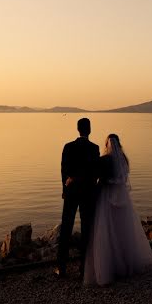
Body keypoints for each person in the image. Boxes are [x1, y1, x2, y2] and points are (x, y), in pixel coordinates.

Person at [84, 133, 152, 286]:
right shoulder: (124, 159)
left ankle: (109, 265)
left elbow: (96, 175)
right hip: (122, 199)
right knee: (123, 230)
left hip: (106, 197)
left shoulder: (104, 160)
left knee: (106, 230)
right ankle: (127, 262)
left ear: (106, 145)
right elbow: (123, 178)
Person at [56, 117, 100, 278]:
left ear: (77, 129)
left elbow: (63, 171)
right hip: (88, 193)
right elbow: (95, 172)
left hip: (71, 192)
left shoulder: (68, 147)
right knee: (86, 229)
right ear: (90, 130)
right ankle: (84, 267)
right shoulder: (94, 148)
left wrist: (64, 189)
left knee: (66, 228)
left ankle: (62, 267)